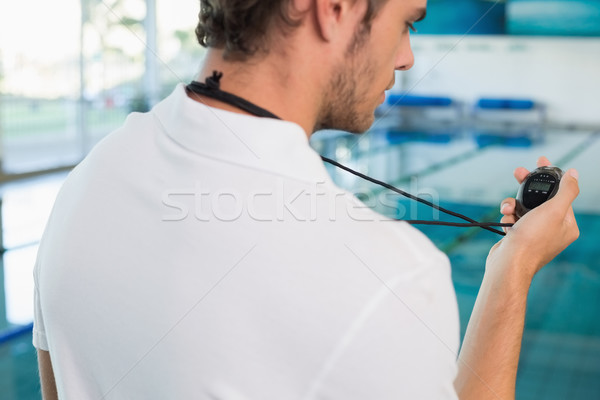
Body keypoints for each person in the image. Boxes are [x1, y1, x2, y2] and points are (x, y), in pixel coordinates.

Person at [34, 0, 580, 399]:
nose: (409, 57)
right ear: (331, 8)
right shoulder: (390, 273)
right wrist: (514, 270)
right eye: (406, 22)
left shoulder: (87, 183)